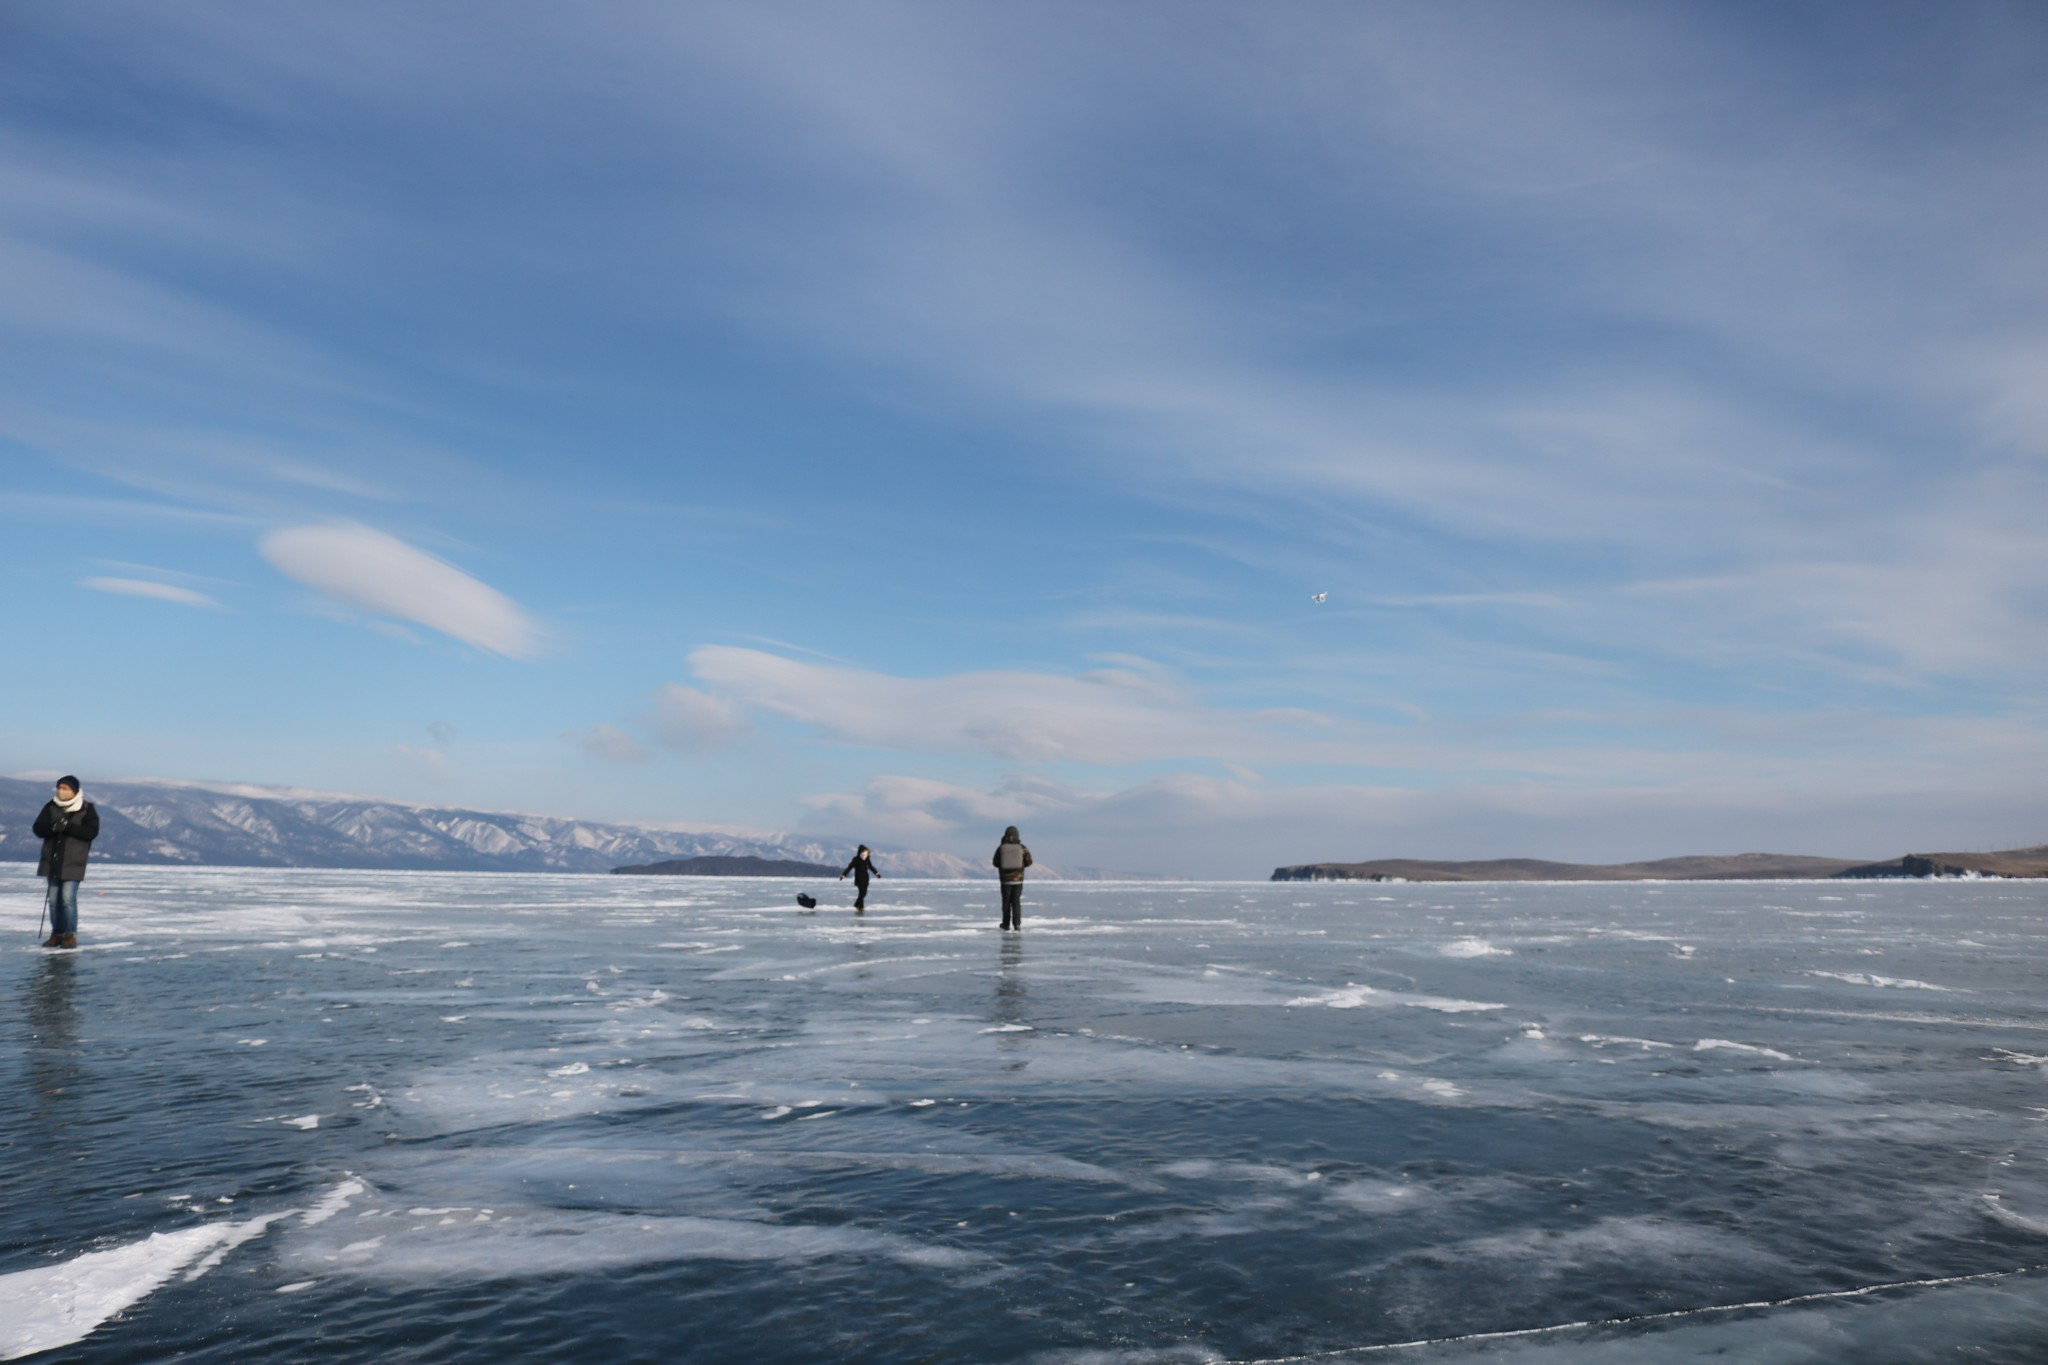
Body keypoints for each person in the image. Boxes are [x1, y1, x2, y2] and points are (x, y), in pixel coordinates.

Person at [33, 776, 99, 950]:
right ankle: (57, 933)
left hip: (73, 861)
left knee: (68, 898)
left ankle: (70, 935)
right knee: (54, 900)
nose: (61, 791)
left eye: (65, 788)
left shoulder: (86, 809)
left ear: (74, 791)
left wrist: (68, 827)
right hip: (52, 861)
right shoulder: (50, 807)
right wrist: (53, 827)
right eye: (59, 787)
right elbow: (38, 828)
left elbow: (91, 832)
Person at [992, 825, 1032, 930]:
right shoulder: (1022, 848)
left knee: (1006, 902)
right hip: (1018, 881)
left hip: (1005, 881)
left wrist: (1004, 867)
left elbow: (995, 862)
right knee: (1016, 902)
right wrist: (1020, 867)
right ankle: (1017, 924)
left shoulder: (1001, 848)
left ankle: (1005, 924)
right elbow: (1029, 862)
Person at [839, 844, 881, 913]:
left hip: (865, 879)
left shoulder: (867, 859)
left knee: (864, 893)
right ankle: (860, 907)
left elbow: (871, 867)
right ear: (860, 853)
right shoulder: (856, 859)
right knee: (861, 893)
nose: (865, 855)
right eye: (863, 853)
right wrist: (843, 875)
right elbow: (849, 868)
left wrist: (877, 873)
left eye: (866, 854)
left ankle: (857, 904)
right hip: (859, 879)